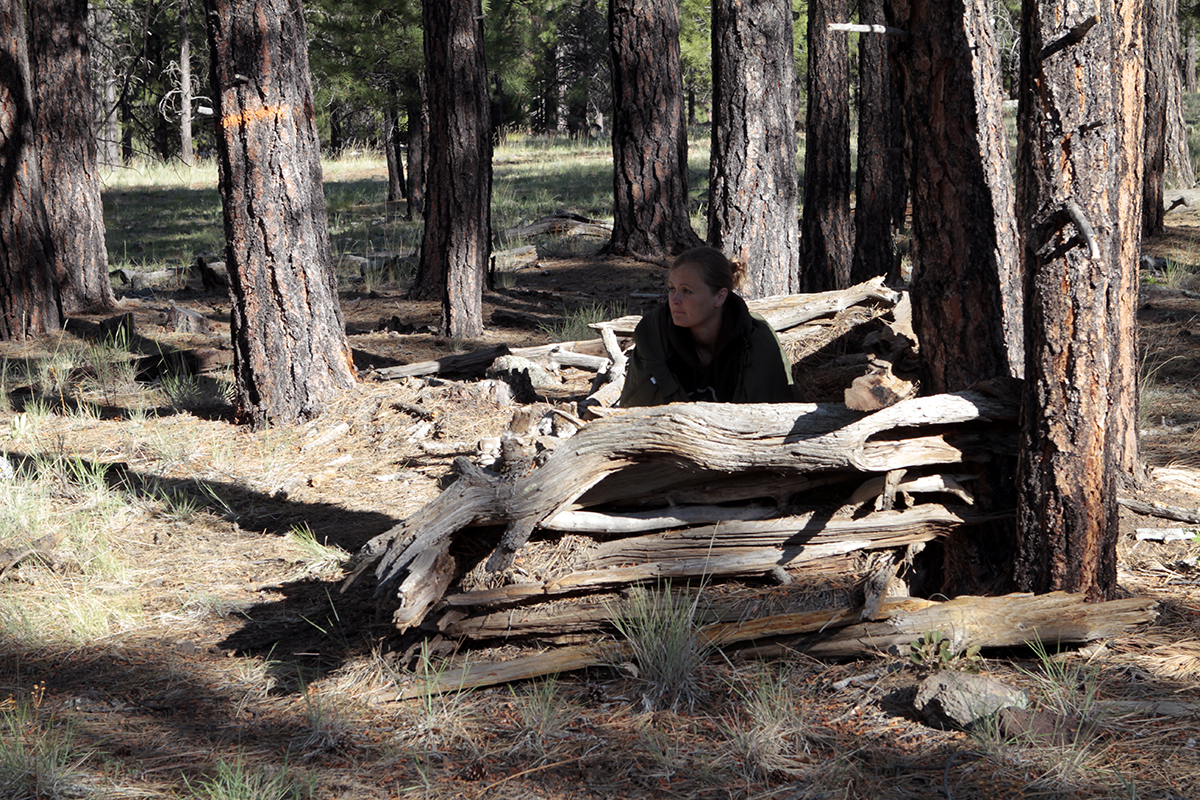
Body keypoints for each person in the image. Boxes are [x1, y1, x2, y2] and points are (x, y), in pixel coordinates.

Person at [619, 246, 795, 407]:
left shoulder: (756, 341)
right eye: (672, 289)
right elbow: (633, 413)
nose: (674, 300)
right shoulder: (654, 339)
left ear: (720, 297)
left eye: (687, 291)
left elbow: (779, 411)